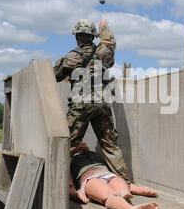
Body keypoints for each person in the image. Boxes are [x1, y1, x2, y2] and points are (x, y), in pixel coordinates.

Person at [53, 19, 133, 186]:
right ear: (93, 35)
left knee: (68, 145)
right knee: (110, 145)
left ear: (77, 37)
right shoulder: (103, 52)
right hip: (103, 103)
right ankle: (124, 182)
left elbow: (56, 75)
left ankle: (62, 185)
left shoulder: (72, 56)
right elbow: (110, 43)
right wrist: (105, 29)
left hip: (81, 104)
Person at [69, 143, 159, 209]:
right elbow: (69, 184)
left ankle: (122, 196)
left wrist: (142, 190)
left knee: (119, 184)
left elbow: (117, 173)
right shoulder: (70, 160)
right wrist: (76, 194)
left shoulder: (95, 154)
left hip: (107, 174)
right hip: (89, 178)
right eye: (79, 144)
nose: (82, 144)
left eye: (82, 143)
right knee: (108, 195)